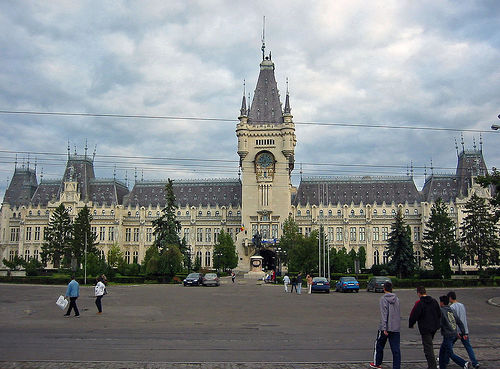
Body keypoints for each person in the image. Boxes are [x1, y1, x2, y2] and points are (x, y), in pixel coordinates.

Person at [370, 281, 401, 369]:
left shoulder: (383, 299)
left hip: (386, 327)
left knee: (379, 345)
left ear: (384, 289)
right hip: (395, 327)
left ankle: (377, 363)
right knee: (396, 349)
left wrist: (384, 328)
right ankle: (396, 366)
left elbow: (384, 314)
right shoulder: (396, 299)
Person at [409, 286, 441, 369]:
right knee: (429, 345)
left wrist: (411, 324)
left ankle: (432, 366)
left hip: (425, 328)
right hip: (434, 327)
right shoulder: (434, 301)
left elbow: (414, 315)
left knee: (428, 348)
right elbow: (439, 313)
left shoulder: (420, 303)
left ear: (418, 293)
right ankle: (432, 365)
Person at [447, 291, 479, 368]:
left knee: (448, 346)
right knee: (468, 346)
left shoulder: (451, 307)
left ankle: (446, 359)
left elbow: (453, 321)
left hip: (456, 331)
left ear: (450, 298)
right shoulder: (462, 305)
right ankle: (475, 362)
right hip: (464, 330)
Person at [438, 295, 470, 369]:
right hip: (454, 333)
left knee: (450, 353)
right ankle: (442, 366)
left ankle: (464, 363)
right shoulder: (451, 309)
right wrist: (463, 332)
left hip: (448, 334)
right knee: (442, 351)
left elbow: (440, 323)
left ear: (442, 303)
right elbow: (459, 322)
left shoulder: (441, 310)